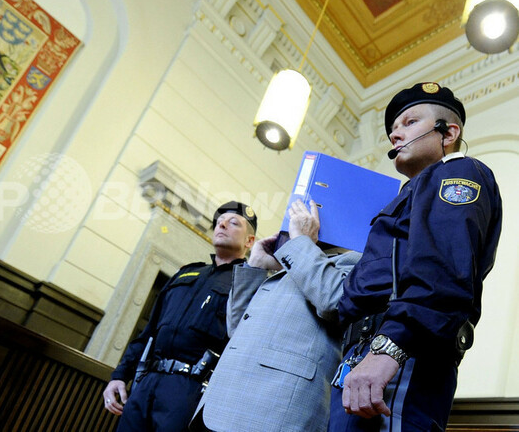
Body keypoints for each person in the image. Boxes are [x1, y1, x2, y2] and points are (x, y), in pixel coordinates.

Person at [330, 82, 503, 431]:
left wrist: (389, 349)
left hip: (401, 351)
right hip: (367, 352)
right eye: (393, 129)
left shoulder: (457, 172)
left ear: (448, 133)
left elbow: (442, 272)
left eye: (410, 122)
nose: (395, 134)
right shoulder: (412, 193)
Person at [193, 199, 361, 432]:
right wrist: (255, 266)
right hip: (221, 402)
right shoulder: (290, 267)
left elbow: (334, 301)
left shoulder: (354, 261)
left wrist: (301, 242)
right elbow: (236, 328)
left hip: (273, 411)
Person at [102, 201, 257, 431]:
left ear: (249, 241)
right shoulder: (187, 272)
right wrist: (120, 375)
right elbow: (149, 331)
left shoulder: (249, 286)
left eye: (233, 223)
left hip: (191, 389)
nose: (222, 225)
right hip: (146, 382)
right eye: (219, 222)